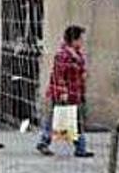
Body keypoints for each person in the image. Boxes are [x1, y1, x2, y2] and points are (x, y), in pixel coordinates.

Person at [36, 25, 94, 157]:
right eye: (80, 39)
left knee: (76, 120)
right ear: (74, 40)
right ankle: (44, 141)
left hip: (76, 93)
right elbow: (58, 74)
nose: (82, 42)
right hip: (64, 93)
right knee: (56, 119)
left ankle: (80, 147)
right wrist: (62, 91)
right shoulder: (62, 55)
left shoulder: (77, 54)